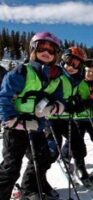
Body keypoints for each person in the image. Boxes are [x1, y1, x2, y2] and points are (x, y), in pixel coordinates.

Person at [0, 32, 65, 200]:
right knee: (11, 167)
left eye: (51, 51)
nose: (46, 53)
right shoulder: (22, 71)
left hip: (37, 126)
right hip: (15, 128)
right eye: (42, 48)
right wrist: (13, 120)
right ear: (34, 49)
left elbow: (59, 99)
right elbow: (4, 96)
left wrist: (53, 107)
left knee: (42, 158)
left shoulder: (56, 77)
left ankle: (28, 189)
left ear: (56, 55)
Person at [47, 47, 93, 188]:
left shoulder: (79, 81)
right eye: (68, 61)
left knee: (78, 144)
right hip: (51, 118)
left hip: (67, 118)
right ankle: (34, 180)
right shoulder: (57, 75)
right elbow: (45, 92)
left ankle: (81, 169)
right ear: (63, 60)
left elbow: (84, 96)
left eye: (76, 64)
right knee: (51, 150)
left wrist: (85, 102)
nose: (71, 66)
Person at [60, 58, 93, 168]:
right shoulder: (78, 82)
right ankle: (66, 156)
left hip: (92, 117)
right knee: (75, 139)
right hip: (78, 118)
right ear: (83, 71)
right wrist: (79, 101)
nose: (90, 74)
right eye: (88, 71)